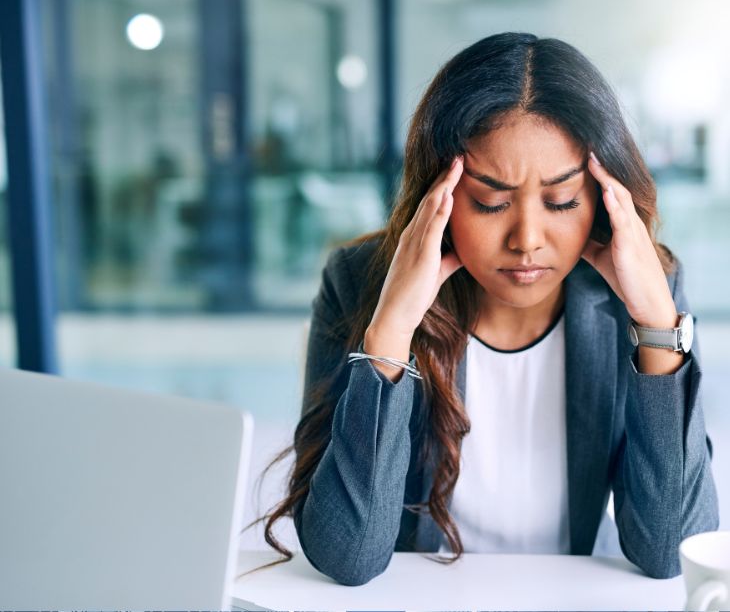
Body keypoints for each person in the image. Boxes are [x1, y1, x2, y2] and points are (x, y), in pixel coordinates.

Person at [246, 31, 719, 586]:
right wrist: (392, 330)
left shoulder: (641, 292)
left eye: (562, 201)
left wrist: (656, 328)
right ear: (437, 196)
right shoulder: (358, 282)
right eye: (491, 202)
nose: (527, 240)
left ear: (600, 199)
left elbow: (671, 550)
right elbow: (347, 556)